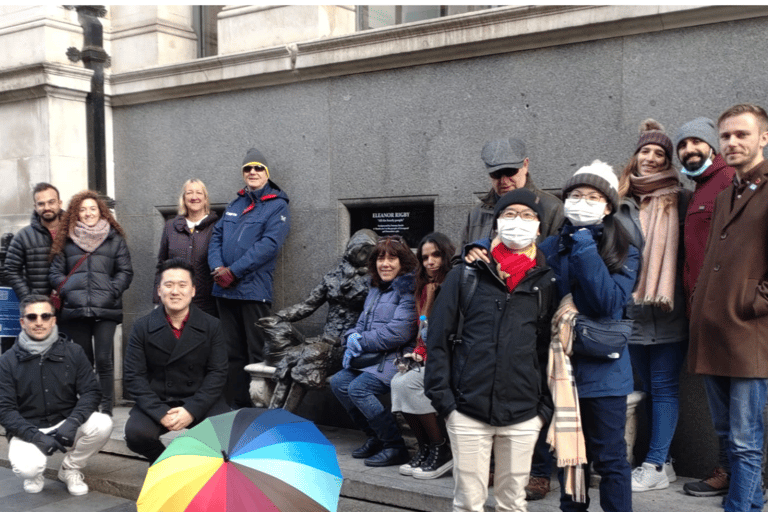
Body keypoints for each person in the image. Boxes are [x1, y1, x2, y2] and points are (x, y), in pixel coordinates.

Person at [428, 189, 555, 512]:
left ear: (539, 228)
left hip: (524, 413)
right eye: (510, 214)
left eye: (527, 216)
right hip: (467, 410)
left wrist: (543, 410)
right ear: (496, 223)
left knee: (512, 502)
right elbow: (438, 340)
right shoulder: (465, 275)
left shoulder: (546, 283)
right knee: (468, 502)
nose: (518, 222)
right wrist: (446, 403)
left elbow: (548, 350)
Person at [538, 161, 639, 512]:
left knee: (610, 459)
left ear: (608, 206)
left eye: (593, 196)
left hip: (605, 373)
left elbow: (607, 302)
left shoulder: (624, 248)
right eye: (576, 195)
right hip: (561, 368)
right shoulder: (550, 246)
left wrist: (583, 243)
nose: (582, 202)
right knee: (571, 457)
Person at [689, 103, 768, 512]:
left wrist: (751, 302)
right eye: (726, 136)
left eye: (742, 134)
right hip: (714, 331)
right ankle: (751, 502)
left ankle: (741, 508)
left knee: (745, 440)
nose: (733, 142)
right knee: (725, 433)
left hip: (751, 333)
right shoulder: (725, 195)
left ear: (764, 138)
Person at [616, 120, 690, 492]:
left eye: (659, 153)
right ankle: (665, 460)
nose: (650, 158)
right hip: (631, 311)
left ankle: (656, 464)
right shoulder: (621, 199)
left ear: (667, 162)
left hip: (665, 309)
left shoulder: (680, 198)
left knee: (663, 387)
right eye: (645, 151)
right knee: (644, 387)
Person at [673, 117, 736, 498]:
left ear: (713, 146)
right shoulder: (700, 187)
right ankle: (728, 470)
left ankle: (740, 478)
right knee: (720, 403)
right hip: (702, 313)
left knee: (737, 406)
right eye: (682, 145)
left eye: (696, 141)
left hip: (728, 312)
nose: (688, 150)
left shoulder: (728, 181)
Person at [0, 295, 113, 496]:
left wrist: (73, 422)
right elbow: (5, 410)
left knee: (103, 423)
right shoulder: (6, 361)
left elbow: (91, 392)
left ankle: (70, 468)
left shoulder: (74, 352)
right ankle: (36, 471)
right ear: (22, 322)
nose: (39, 322)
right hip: (28, 426)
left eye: (45, 316)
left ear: (53, 320)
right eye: (32, 317)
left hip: (65, 422)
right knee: (27, 468)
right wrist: (35, 436)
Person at [123, 258, 229, 464]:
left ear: (193, 291)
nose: (175, 291)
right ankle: (167, 466)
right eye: (168, 285)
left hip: (200, 399)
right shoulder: (142, 327)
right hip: (159, 398)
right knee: (137, 434)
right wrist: (160, 412)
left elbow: (218, 373)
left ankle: (206, 472)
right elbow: (133, 376)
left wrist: (192, 409)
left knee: (225, 435)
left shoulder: (212, 325)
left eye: (182, 285)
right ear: (159, 290)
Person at [208, 147, 290, 409]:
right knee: (230, 353)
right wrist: (218, 268)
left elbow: (268, 245)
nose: (252, 172)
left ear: (267, 173)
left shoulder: (277, 205)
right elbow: (216, 238)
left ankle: (258, 411)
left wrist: (234, 272)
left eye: (258, 168)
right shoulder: (235, 204)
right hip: (224, 290)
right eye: (247, 168)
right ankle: (236, 405)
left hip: (253, 291)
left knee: (258, 353)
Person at [329, 236, 418, 468]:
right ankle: (375, 437)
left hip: (397, 357)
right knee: (339, 382)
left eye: (392, 258)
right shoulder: (376, 288)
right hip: (373, 358)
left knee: (359, 388)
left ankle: (394, 446)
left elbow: (399, 332)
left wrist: (361, 341)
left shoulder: (407, 289)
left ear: (403, 262)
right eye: (380, 258)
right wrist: (352, 337)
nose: (385, 264)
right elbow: (362, 323)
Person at [49, 190, 133, 416]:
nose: (88, 213)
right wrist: (68, 291)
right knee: (84, 360)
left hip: (106, 308)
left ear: (101, 211)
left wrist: (112, 290)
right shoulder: (66, 238)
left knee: (104, 359)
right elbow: (55, 272)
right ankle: (88, 406)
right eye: (83, 209)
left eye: (92, 209)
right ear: (76, 213)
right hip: (75, 309)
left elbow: (125, 271)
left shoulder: (114, 239)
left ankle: (106, 409)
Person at [391, 232, 455, 480]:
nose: (430, 261)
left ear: (446, 255)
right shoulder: (425, 287)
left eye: (436, 255)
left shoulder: (453, 284)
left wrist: (430, 354)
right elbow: (425, 328)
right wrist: (418, 352)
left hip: (451, 358)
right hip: (429, 356)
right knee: (398, 382)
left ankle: (441, 448)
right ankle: (426, 446)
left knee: (412, 383)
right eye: (425, 257)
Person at [460, 137, 563, 247]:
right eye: (496, 174)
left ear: (525, 165)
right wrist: (469, 254)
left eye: (510, 171)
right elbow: (458, 260)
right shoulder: (477, 213)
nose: (504, 181)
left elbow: (559, 259)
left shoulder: (553, 208)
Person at [154, 179, 219, 316]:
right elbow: (161, 264)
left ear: (205, 198)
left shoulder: (217, 226)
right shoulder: (170, 226)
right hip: (175, 300)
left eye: (198, 193)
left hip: (207, 302)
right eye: (189, 193)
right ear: (184, 198)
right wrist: (157, 298)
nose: (194, 197)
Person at [4, 183, 64, 300]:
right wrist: (28, 298)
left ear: (59, 203)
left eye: (51, 202)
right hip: (38, 308)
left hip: (71, 307)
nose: (46, 207)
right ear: (35, 206)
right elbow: (11, 269)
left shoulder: (74, 232)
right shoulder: (23, 236)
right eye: (41, 204)